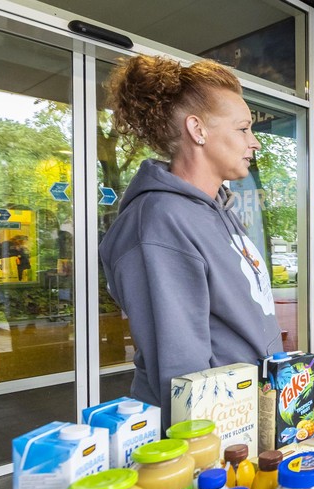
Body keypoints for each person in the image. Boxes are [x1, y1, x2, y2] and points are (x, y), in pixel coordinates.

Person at [100, 55, 282, 431]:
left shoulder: (218, 208)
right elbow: (181, 370)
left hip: (248, 417)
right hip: (208, 436)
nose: (254, 143)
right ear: (197, 130)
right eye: (244, 129)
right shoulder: (158, 223)